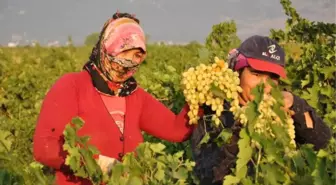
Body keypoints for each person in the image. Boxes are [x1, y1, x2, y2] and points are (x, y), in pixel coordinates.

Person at [33, 12, 194, 185]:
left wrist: (199, 99)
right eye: (124, 52)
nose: (128, 62)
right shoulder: (72, 86)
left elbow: (176, 129)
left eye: (136, 56)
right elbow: (44, 147)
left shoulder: (135, 96)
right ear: (107, 47)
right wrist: (95, 162)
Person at [190, 35, 332, 185]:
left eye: (272, 77)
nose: (264, 85)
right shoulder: (213, 113)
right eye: (256, 74)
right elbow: (208, 175)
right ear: (237, 72)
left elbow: (324, 144)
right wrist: (238, 134)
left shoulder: (279, 108)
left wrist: (296, 103)